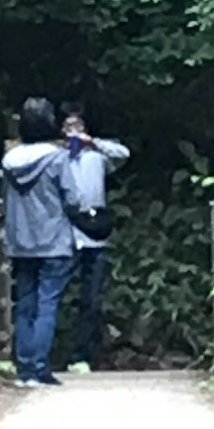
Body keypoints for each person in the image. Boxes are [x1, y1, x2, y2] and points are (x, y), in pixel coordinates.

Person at [0, 96, 82, 384]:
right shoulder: (57, 158)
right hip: (53, 239)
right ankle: (39, 367)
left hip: (19, 240)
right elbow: (73, 198)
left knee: (25, 303)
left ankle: (23, 368)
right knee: (47, 303)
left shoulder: (9, 160)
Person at [57, 103, 128, 368]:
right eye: (68, 128)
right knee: (55, 294)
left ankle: (82, 355)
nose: (73, 132)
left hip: (94, 233)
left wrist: (92, 142)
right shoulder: (57, 158)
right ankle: (47, 351)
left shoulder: (97, 157)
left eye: (78, 127)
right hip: (65, 233)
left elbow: (123, 154)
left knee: (92, 299)